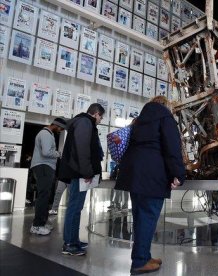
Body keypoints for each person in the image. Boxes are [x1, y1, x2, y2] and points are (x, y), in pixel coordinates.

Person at [115, 96, 185, 275]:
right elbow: (172, 147)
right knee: (147, 218)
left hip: (133, 175)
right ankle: (139, 261)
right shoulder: (165, 118)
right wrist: (178, 173)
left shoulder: (138, 121)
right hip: (152, 176)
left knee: (140, 218)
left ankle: (143, 256)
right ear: (166, 106)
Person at [58, 103, 105, 256]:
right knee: (74, 208)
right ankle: (69, 244)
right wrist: (87, 172)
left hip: (79, 172)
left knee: (77, 208)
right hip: (79, 173)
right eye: (101, 117)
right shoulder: (85, 123)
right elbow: (82, 149)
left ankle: (73, 239)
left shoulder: (82, 122)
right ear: (96, 113)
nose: (101, 120)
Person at [29, 118, 66, 235]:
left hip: (44, 166)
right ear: (56, 125)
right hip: (43, 166)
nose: (60, 130)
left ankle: (42, 223)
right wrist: (58, 154)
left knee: (45, 195)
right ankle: (37, 226)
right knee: (43, 195)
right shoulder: (45, 134)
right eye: (60, 128)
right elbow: (46, 152)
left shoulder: (47, 134)